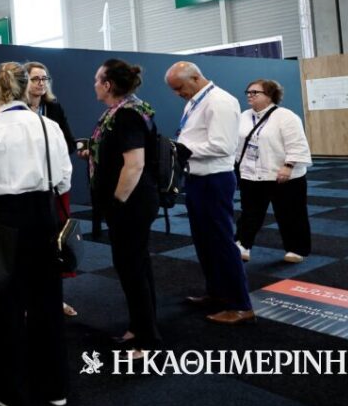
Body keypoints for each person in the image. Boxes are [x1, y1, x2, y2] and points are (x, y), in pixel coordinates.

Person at [0, 62, 72, 406]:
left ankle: (12, 392)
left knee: (6, 304)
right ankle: (54, 387)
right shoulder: (49, 126)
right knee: (47, 301)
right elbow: (64, 180)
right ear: (27, 87)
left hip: (5, 219)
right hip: (44, 216)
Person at [165, 61, 253, 325]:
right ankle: (217, 293)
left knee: (222, 241)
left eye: (179, 87)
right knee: (204, 242)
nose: (177, 93)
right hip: (197, 178)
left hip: (215, 180)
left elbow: (223, 146)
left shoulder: (220, 101)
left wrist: (179, 150)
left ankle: (241, 305)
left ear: (195, 78)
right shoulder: (194, 101)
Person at [85, 59, 161, 357]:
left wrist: (117, 203)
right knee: (135, 265)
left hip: (132, 203)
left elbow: (134, 165)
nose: (94, 85)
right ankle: (141, 326)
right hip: (133, 201)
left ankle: (147, 340)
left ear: (108, 85)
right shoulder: (125, 110)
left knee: (132, 268)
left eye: (97, 80)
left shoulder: (126, 114)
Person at [235, 79, 312, 263]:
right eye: (248, 92)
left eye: (255, 92)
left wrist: (288, 166)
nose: (249, 95)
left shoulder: (286, 116)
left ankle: (296, 249)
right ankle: (243, 245)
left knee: (290, 213)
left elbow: (297, 144)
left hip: (283, 175)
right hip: (251, 174)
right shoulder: (244, 116)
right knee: (250, 213)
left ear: (270, 96)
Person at [24, 61, 79, 318]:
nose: (40, 83)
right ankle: (27, 300)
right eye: (35, 79)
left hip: (54, 185)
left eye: (44, 78)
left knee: (55, 244)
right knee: (29, 245)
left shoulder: (53, 107)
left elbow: (69, 143)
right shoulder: (15, 111)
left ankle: (55, 298)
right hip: (27, 186)